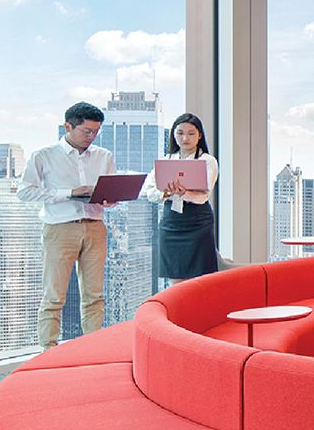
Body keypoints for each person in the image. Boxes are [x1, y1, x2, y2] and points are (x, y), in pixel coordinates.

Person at [17, 102, 121, 350]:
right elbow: (25, 192)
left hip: (95, 227)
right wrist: (70, 193)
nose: (91, 136)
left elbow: (112, 194)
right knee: (54, 296)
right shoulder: (44, 155)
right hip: (60, 229)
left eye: (95, 131)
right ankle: (48, 351)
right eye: (86, 131)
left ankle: (92, 350)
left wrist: (111, 199)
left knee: (94, 296)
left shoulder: (104, 156)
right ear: (68, 126)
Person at [141, 112, 218, 283]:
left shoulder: (207, 160)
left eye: (191, 133)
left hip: (198, 220)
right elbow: (149, 192)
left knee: (201, 278)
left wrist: (184, 193)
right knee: (175, 278)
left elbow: (204, 194)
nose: (185, 138)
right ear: (173, 135)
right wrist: (165, 193)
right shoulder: (166, 161)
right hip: (171, 221)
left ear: (199, 135)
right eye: (180, 133)